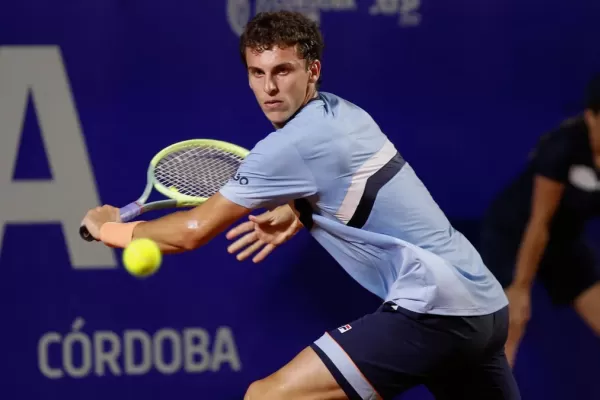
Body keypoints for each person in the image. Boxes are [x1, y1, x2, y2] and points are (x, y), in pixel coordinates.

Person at [82, 10, 519, 400]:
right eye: (257, 73)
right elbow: (351, 182)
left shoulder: (288, 147)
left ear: (312, 70)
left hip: (436, 309)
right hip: (484, 307)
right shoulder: (344, 114)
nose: (269, 87)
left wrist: (107, 229)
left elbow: (191, 232)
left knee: (267, 397)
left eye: (283, 70)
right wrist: (298, 209)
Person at [478, 74, 600, 367]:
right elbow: (539, 222)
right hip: (514, 235)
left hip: (564, 240)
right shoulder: (562, 147)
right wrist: (520, 288)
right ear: (591, 116)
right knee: (511, 321)